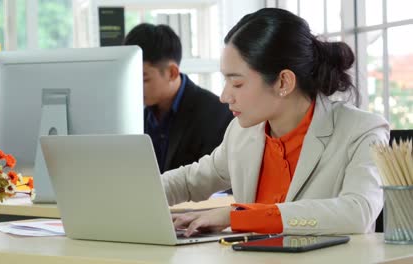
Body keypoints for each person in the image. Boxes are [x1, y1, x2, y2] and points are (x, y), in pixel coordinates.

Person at [162, 8, 389, 237]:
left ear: (283, 82)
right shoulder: (242, 133)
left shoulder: (363, 131)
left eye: (237, 83)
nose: (224, 96)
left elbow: (357, 213)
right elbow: (190, 181)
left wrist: (237, 216)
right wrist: (133, 190)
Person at [123, 24, 233, 173]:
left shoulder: (216, 113)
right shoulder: (135, 115)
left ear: (172, 73)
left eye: (143, 79)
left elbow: (214, 183)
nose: (134, 88)